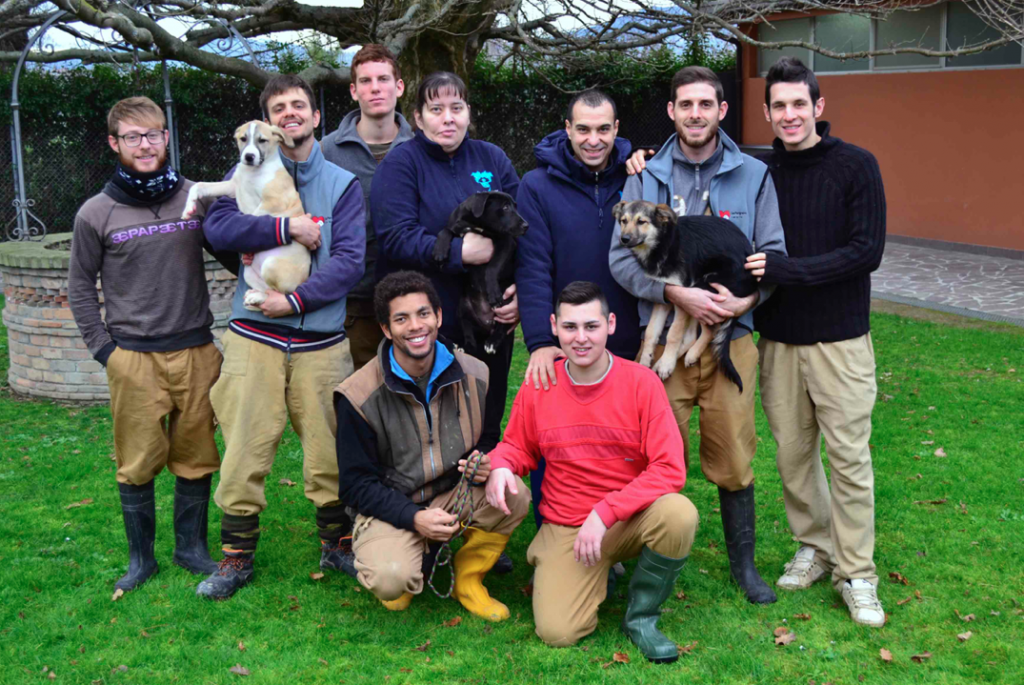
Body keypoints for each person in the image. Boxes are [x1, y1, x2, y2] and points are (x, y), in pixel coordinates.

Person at [611, 66, 787, 605]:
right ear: (671, 111)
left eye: (705, 104)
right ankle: (636, 558)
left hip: (731, 339)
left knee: (734, 456)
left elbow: (772, 253)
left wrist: (747, 301)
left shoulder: (754, 173)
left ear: (721, 111)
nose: (694, 114)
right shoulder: (644, 174)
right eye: (684, 104)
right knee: (652, 456)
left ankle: (745, 567)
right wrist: (672, 295)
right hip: (664, 344)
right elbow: (620, 258)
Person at [196, 74, 366, 599]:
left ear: (316, 117)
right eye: (278, 107)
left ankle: (336, 543)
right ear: (266, 123)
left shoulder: (342, 184)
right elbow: (217, 231)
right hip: (255, 339)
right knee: (244, 444)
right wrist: (282, 230)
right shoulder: (242, 172)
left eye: (299, 106)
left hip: (320, 338)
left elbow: (350, 262)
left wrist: (293, 300)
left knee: (329, 448)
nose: (290, 113)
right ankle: (235, 557)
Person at [69, 96, 238, 593]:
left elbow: (236, 255)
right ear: (114, 143)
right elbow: (80, 287)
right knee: (138, 462)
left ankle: (191, 548)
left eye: (153, 134)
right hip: (133, 358)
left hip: (197, 351)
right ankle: (141, 560)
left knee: (198, 455)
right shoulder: (96, 213)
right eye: (132, 137)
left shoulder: (196, 198)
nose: (145, 145)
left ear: (166, 138)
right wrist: (106, 352)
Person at [486, 281, 697, 662]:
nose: (580, 338)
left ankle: (642, 618)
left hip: (627, 518)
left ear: (611, 325)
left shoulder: (642, 383)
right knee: (557, 632)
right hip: (568, 524)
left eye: (591, 326)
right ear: (554, 326)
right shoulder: (540, 384)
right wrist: (501, 465)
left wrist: (606, 512)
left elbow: (670, 468)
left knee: (679, 513)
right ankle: (572, 564)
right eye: (570, 327)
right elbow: (517, 446)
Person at [745, 56, 886, 627]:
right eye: (778, 105)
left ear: (818, 107)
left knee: (849, 459)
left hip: (840, 341)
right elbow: (693, 160)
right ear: (767, 112)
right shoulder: (757, 172)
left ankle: (857, 572)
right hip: (778, 340)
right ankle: (816, 547)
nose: (789, 115)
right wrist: (637, 154)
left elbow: (865, 251)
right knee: (794, 456)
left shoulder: (855, 166)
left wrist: (786, 269)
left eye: (799, 103)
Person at [334, 271, 530, 619]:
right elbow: (355, 485)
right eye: (401, 318)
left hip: (456, 495)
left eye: (423, 313)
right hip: (392, 506)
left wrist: (484, 460)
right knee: (392, 581)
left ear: (439, 316)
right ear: (385, 328)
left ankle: (468, 580)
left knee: (513, 492)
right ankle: (409, 561)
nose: (415, 326)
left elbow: (488, 437)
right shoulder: (357, 395)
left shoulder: (477, 373)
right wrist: (414, 518)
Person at [370, 71, 520, 455]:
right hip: (429, 317)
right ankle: (427, 501)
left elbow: (524, 228)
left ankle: (484, 491)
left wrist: (522, 290)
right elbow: (395, 236)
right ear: (418, 118)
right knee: (434, 414)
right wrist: (459, 254)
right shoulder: (401, 165)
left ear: (469, 112)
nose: (448, 118)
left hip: (492, 313)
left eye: (457, 107)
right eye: (436, 109)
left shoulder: (493, 158)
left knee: (488, 405)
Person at [515, 89, 641, 544]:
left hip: (627, 334)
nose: (593, 140)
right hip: (566, 340)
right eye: (583, 129)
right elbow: (532, 267)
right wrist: (540, 342)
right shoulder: (536, 186)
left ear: (616, 129)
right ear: (567, 129)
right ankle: (552, 534)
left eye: (603, 129)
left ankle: (619, 541)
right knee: (557, 442)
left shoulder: (637, 178)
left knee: (621, 448)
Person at [321, 44, 415, 371]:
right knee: (356, 405)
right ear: (353, 90)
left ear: (399, 86)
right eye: (365, 81)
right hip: (351, 305)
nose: (375, 88)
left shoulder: (421, 147)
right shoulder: (327, 152)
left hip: (412, 300)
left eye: (383, 79)